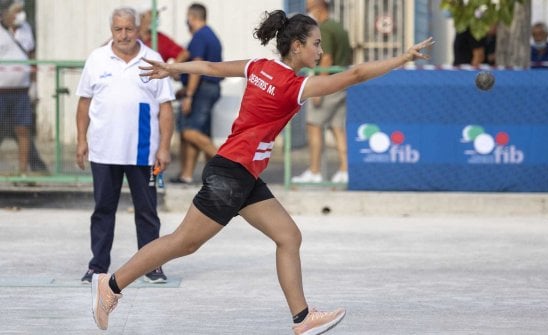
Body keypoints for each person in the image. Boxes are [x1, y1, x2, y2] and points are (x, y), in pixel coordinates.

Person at [90, 9, 433, 334]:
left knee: (288, 236)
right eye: (315, 44)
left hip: (241, 173)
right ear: (297, 46)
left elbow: (210, 66)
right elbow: (354, 75)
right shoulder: (293, 86)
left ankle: (302, 319)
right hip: (231, 174)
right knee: (183, 242)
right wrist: (401, 59)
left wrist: (173, 67)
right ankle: (112, 284)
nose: (320, 50)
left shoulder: (259, 66)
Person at [75, 7, 175, 285]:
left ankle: (152, 266)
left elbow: (166, 108)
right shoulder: (97, 59)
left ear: (138, 30)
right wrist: (81, 140)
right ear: (111, 31)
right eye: (118, 29)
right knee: (103, 210)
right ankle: (97, 267)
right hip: (103, 150)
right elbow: (84, 103)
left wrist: (164, 147)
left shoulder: (153, 59)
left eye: (129, 29)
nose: (124, 35)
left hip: (142, 152)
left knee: (147, 211)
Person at [292, 0, 351, 184]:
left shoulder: (324, 28)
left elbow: (326, 58)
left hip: (327, 85)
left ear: (320, 6)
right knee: (338, 129)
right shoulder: (339, 27)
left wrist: (318, 90)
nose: (310, 13)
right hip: (341, 84)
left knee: (313, 126)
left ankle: (315, 171)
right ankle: (345, 170)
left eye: (310, 9)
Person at [171, 3, 221, 185]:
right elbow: (187, 55)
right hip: (205, 88)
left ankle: (229, 166)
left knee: (190, 132)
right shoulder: (207, 35)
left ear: (192, 17)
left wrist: (190, 94)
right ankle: (187, 174)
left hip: (202, 89)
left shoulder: (201, 36)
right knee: (197, 131)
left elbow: (197, 68)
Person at [0, 0, 33, 175]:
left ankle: (23, 171)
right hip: (1, 91)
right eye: (17, 11)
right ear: (6, 13)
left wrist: (33, 85)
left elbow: (31, 55)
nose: (21, 14)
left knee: (23, 129)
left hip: (21, 90)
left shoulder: (26, 28)